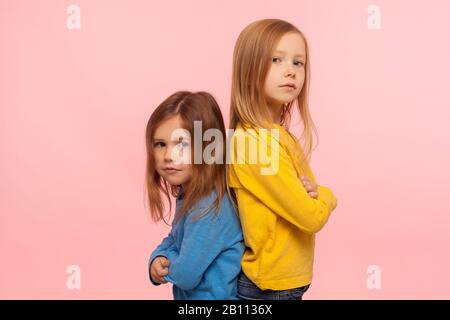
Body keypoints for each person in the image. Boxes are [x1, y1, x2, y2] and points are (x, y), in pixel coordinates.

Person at [228, 19, 338, 300]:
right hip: (271, 287)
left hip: (285, 281)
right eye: (276, 60)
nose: (290, 71)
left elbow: (305, 193)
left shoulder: (278, 136)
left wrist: (312, 195)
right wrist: (326, 196)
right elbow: (310, 215)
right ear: (249, 71)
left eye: (298, 63)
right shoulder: (256, 143)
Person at [145, 91, 244, 300]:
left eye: (181, 144)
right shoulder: (191, 193)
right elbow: (175, 238)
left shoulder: (209, 207)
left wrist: (166, 259)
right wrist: (158, 256)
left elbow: (185, 274)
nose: (169, 156)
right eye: (160, 144)